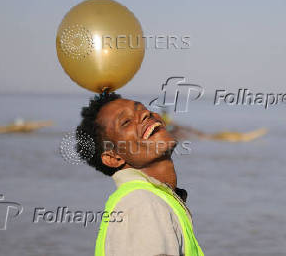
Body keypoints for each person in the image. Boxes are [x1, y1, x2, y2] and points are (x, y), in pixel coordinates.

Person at [76, 92, 203, 256]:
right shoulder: (141, 204)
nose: (146, 114)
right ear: (113, 157)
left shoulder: (151, 199)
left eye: (144, 109)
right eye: (126, 122)